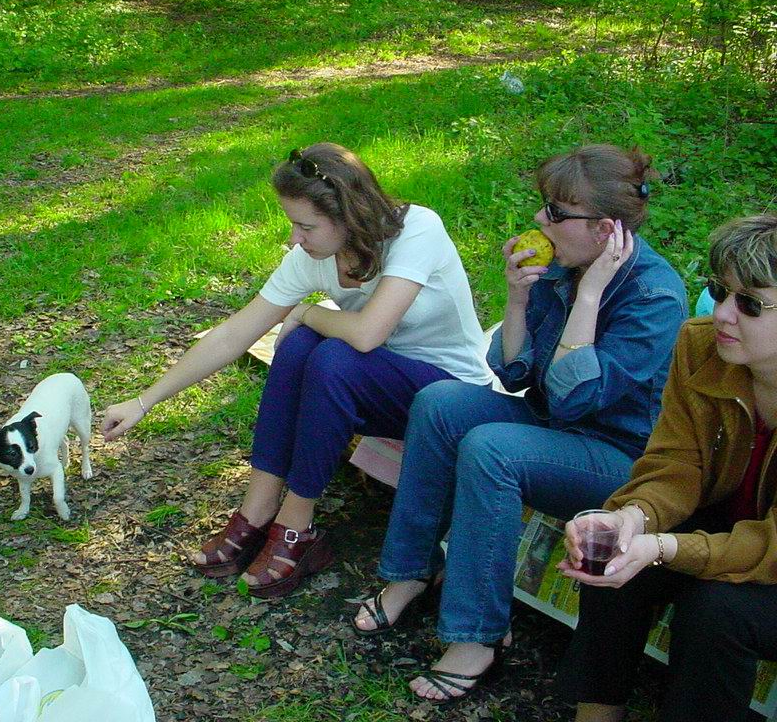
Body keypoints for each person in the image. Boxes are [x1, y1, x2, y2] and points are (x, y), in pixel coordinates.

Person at [354, 144, 688, 704]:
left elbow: (576, 399)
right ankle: (411, 571)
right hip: (551, 422)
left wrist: (589, 297)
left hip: (617, 456)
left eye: (556, 212)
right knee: (439, 403)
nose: (540, 219)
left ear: (605, 229)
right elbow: (513, 372)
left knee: (492, 448)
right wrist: (516, 298)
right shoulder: (563, 267)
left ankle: (478, 636)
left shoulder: (654, 296)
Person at [100, 142, 493, 599]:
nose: (294, 238)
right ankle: (259, 505)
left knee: (332, 353)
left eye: (306, 226)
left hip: (448, 396)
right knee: (303, 345)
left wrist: (305, 312)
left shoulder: (416, 230)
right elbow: (233, 334)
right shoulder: (314, 257)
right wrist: (144, 400)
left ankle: (296, 523)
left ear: (351, 215)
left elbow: (368, 334)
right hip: (381, 389)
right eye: (293, 224)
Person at [556, 214, 777, 722]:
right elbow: (677, 461)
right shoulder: (702, 347)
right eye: (719, 291)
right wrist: (632, 518)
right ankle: (596, 713)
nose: (722, 314)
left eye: (749, 303)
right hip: (730, 523)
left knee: (716, 610)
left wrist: (663, 547)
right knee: (616, 551)